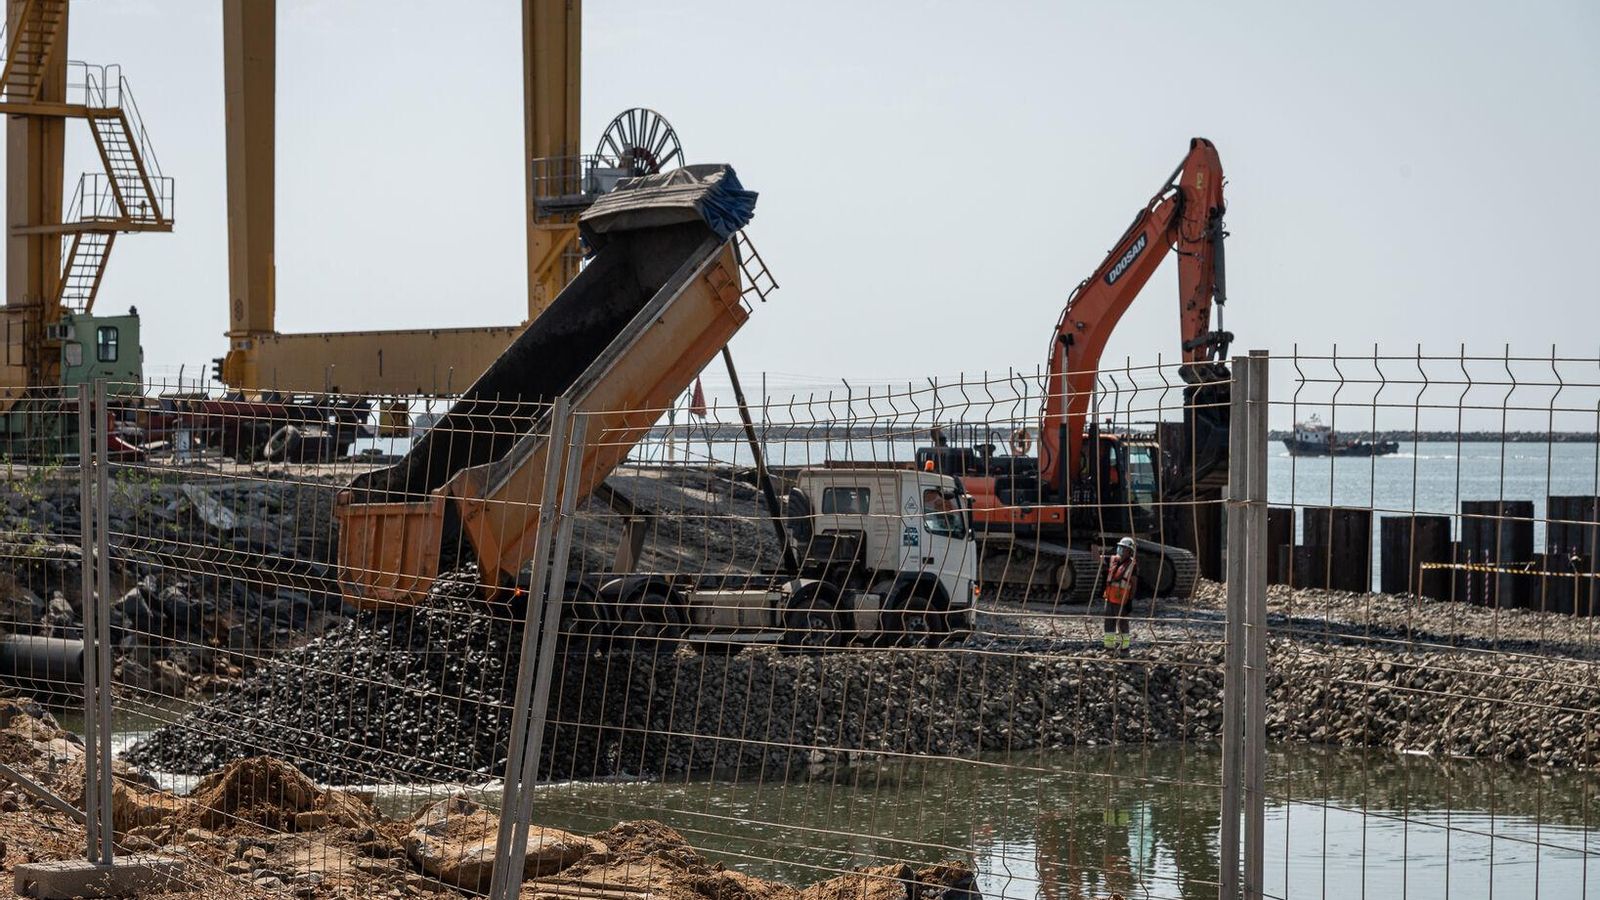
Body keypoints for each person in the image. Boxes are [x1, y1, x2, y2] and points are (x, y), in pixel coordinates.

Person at [1102, 537, 1137, 653]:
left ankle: (1124, 648)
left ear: (1129, 551)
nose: (1120, 550)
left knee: (1122, 625)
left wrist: (1130, 601)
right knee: (1109, 624)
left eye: (1123, 548)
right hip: (1109, 598)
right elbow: (1097, 558)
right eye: (1120, 547)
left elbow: (1134, 583)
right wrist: (1092, 545)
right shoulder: (1113, 560)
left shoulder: (1132, 565)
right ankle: (1109, 648)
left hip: (1122, 601)